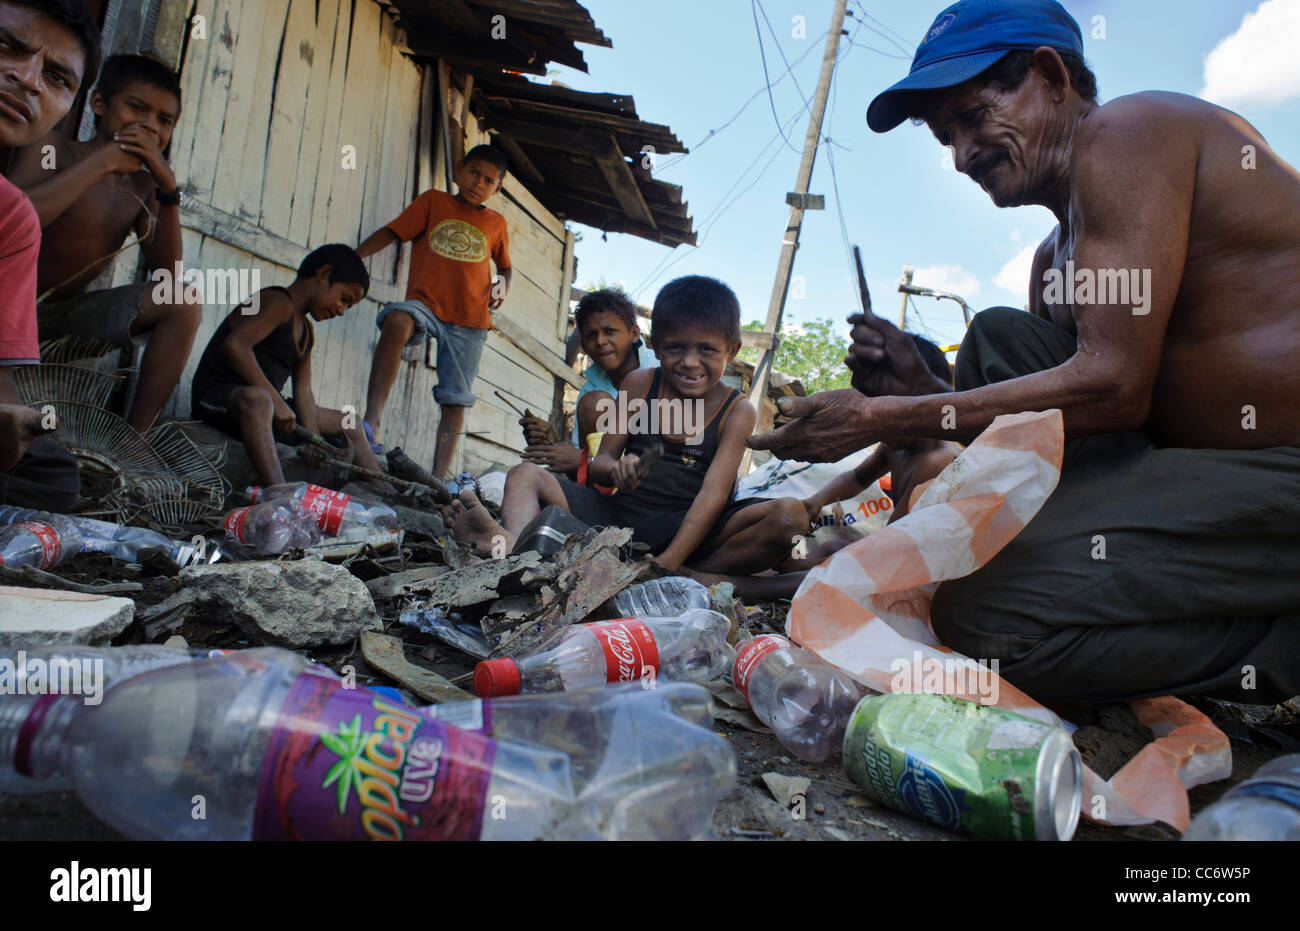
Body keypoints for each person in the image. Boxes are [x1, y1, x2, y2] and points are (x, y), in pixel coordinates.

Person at [747, 0, 1300, 705]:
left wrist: (882, 414)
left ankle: (1281, 642)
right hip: (1195, 464)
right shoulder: (1051, 261)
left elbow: (1114, 387)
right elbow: (1063, 410)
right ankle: (1123, 597)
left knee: (984, 619)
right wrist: (917, 391)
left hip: (1278, 467)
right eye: (945, 138)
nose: (961, 156)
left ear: (1049, 74)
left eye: (973, 118)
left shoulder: (1127, 132)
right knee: (997, 341)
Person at [452, 275, 807, 575]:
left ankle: (681, 574)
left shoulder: (737, 410)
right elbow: (599, 465)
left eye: (707, 350)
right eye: (675, 348)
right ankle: (513, 548)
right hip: (619, 517)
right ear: (655, 345)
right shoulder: (639, 383)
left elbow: (713, 495)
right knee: (524, 474)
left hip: (691, 530)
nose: (689, 362)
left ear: (732, 351)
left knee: (790, 516)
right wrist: (615, 471)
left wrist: (668, 561)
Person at [9, 53, 201, 435]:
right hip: (7, 307)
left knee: (183, 301)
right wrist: (103, 162)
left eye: (165, 120)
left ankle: (132, 441)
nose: (150, 126)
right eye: (137, 108)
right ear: (99, 104)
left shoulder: (144, 188)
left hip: (58, 320)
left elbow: (168, 274)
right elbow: (12, 219)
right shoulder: (53, 149)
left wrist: (167, 191)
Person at [358, 144, 512, 480]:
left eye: (488, 180)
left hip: (470, 321)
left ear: (497, 188)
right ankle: (372, 422)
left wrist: (502, 284)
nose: (478, 183)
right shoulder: (433, 202)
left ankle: (438, 479)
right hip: (425, 304)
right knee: (397, 319)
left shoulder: (496, 223)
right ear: (459, 169)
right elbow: (392, 232)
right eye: (473, 173)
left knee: (456, 400)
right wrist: (355, 256)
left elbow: (505, 267)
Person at [0, 0, 100, 509]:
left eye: (57, 77)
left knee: (51, 475)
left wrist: (11, 428)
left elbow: (2, 385)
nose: (28, 79)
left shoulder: (13, 215)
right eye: (7, 47)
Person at [189, 244, 385, 488]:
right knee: (260, 400)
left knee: (351, 422)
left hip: (268, 406)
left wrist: (313, 439)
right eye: (344, 299)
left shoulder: (307, 333)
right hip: (222, 398)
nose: (342, 311)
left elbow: (303, 390)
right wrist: (276, 401)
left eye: (348, 306)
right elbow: (236, 346)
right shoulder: (276, 301)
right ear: (323, 274)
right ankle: (279, 494)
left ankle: (389, 492)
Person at [800, 334, 961, 528]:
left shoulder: (937, 460)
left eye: (881, 412)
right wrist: (814, 502)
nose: (871, 424)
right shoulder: (895, 445)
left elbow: (895, 534)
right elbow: (858, 477)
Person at [519, 286, 657, 482]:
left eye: (609, 331)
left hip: (660, 477)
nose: (600, 341)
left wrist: (584, 459)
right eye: (591, 335)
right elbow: (579, 472)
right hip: (612, 485)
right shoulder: (590, 391)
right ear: (583, 345)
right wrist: (552, 442)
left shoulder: (660, 368)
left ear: (634, 333)